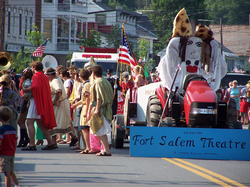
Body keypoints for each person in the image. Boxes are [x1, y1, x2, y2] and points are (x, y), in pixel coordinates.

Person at [21, 61, 57, 151]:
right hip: (40, 102)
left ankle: (32, 144)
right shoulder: (44, 76)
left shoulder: (36, 76)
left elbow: (35, 87)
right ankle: (51, 143)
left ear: (34, 68)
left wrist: (25, 89)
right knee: (40, 124)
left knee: (29, 122)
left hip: (36, 102)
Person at [44, 67, 78, 147]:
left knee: (54, 122)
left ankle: (53, 143)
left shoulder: (55, 81)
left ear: (49, 75)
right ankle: (73, 137)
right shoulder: (56, 80)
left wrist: (55, 101)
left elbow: (59, 91)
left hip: (60, 104)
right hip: (62, 102)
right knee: (63, 123)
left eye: (46, 75)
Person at [88, 65, 113, 156]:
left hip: (101, 109)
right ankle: (106, 149)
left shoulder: (98, 82)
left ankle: (106, 150)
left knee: (98, 130)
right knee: (100, 130)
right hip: (106, 108)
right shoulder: (106, 81)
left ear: (93, 73)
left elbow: (99, 97)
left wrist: (97, 109)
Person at [0, 106, 20, 187]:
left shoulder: (2, 129)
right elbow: (15, 141)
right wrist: (14, 150)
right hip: (11, 152)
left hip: (4, 153)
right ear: (11, 117)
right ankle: (17, 185)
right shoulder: (13, 128)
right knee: (11, 171)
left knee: (6, 172)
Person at [17, 68, 33, 147]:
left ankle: (24, 139)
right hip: (26, 101)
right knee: (21, 121)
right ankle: (25, 138)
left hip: (26, 101)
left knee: (20, 121)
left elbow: (27, 93)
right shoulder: (29, 81)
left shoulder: (27, 82)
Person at [69, 68, 83, 149]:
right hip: (75, 105)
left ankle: (79, 144)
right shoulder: (75, 83)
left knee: (78, 126)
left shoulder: (81, 84)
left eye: (77, 75)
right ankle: (79, 143)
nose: (76, 77)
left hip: (79, 104)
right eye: (75, 75)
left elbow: (79, 96)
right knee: (75, 125)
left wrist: (74, 100)